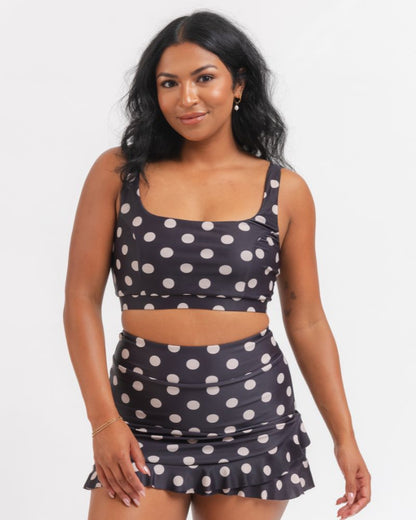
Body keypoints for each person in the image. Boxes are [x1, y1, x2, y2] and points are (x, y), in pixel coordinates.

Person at [63, 10, 371, 520]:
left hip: (252, 420)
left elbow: (307, 318)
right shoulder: (118, 172)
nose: (186, 98)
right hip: (140, 423)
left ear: (238, 85)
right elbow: (79, 300)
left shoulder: (285, 190)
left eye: (204, 78)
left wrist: (345, 438)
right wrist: (104, 422)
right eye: (169, 83)